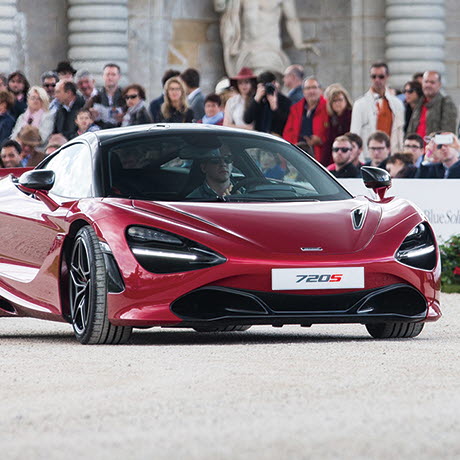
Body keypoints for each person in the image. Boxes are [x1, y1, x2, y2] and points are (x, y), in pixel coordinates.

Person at [214, 0, 319, 77]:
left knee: (264, 75)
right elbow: (224, 9)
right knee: (248, 81)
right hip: (246, 49)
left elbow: (292, 20)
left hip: (270, 47)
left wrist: (298, 42)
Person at [350, 62, 404, 160]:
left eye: (381, 76)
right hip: (368, 156)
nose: (377, 80)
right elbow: (354, 134)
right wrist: (359, 159)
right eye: (373, 76)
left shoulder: (397, 104)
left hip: (391, 156)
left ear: (387, 77)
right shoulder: (360, 104)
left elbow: (400, 133)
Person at [282, 76, 329, 165]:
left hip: (321, 155)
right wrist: (294, 147)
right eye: (308, 88)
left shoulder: (328, 107)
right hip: (298, 154)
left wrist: (320, 139)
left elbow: (331, 132)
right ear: (303, 92)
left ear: (320, 90)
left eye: (314, 87)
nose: (311, 91)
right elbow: (287, 132)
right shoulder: (296, 108)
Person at [407, 70, 458, 138]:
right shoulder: (419, 102)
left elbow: (447, 133)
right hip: (416, 144)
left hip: (434, 144)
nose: (428, 85)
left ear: (439, 85)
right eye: (426, 82)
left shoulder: (446, 103)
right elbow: (411, 129)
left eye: (432, 82)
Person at [244, 71, 291, 137]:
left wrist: (274, 107)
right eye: (263, 86)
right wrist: (256, 99)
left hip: (276, 138)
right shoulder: (257, 99)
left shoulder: (284, 100)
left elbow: (285, 122)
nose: (266, 88)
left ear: (274, 84)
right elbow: (247, 120)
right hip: (259, 136)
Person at [323, 85, 353, 165]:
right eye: (334, 101)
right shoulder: (331, 118)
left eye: (340, 100)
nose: (337, 103)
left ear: (346, 100)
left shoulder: (351, 116)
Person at [92, 63, 125, 128]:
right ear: (103, 76)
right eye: (107, 74)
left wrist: (125, 116)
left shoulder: (126, 97)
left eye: (113, 74)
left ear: (119, 76)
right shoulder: (96, 97)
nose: (110, 77)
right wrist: (90, 114)